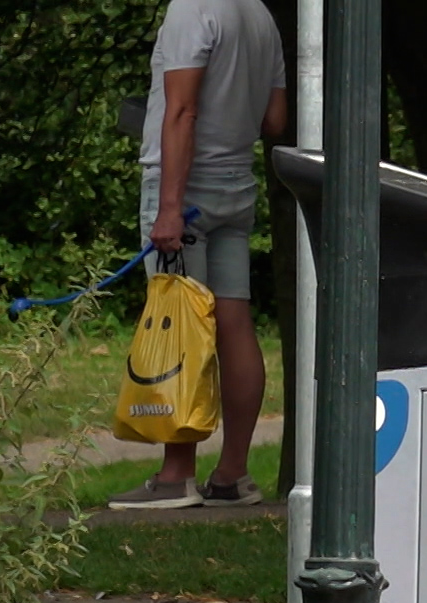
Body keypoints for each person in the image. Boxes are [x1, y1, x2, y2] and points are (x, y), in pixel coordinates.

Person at [109, 0, 288, 510]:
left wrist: (169, 207)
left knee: (180, 321)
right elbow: (275, 118)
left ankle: (176, 475)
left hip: (184, 193)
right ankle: (232, 473)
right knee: (234, 321)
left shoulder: (192, 9)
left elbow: (183, 109)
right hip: (237, 186)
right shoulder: (259, 15)